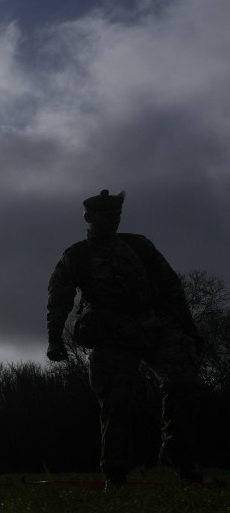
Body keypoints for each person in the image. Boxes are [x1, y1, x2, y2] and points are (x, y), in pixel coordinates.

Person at [46, 190, 204, 488]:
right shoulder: (77, 256)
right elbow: (59, 299)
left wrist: (189, 329)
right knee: (116, 401)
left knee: (183, 382)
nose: (112, 221)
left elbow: (171, 287)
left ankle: (177, 453)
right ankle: (115, 473)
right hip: (110, 331)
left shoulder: (139, 245)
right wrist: (55, 339)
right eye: (106, 216)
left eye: (116, 215)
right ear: (89, 218)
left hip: (155, 324)